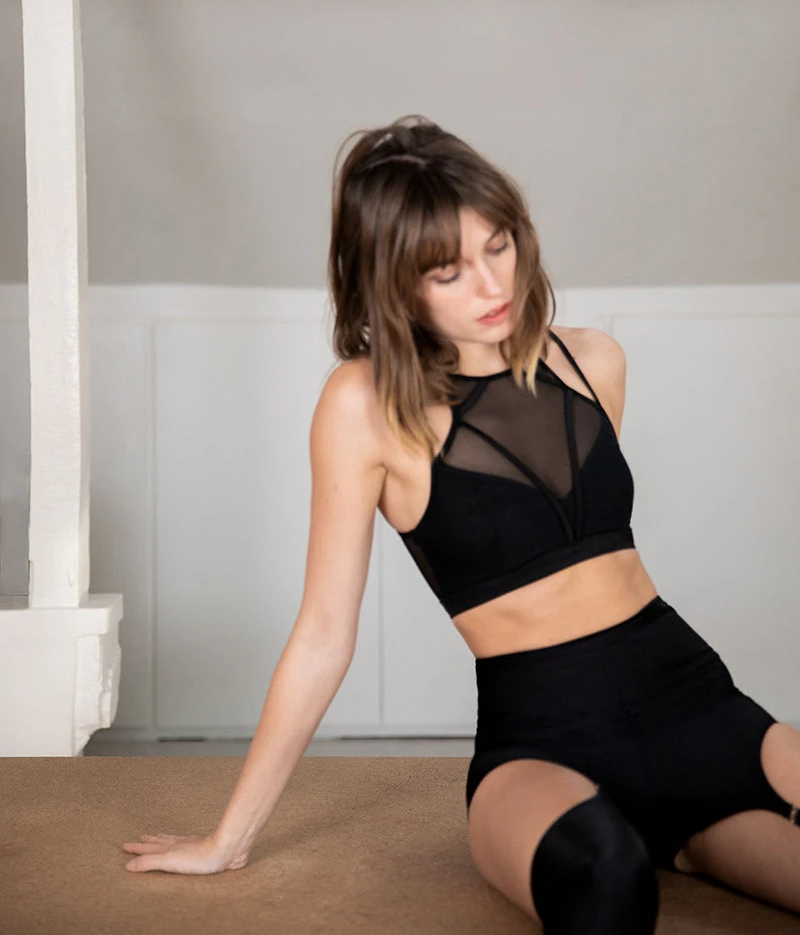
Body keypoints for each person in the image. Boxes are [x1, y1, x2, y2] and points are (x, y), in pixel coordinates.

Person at [123, 117, 800, 931]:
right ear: (394, 284)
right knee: (610, 885)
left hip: (701, 707)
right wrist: (227, 840)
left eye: (499, 245)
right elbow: (324, 635)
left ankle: (687, 838)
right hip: (543, 744)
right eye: (448, 271)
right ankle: (638, 838)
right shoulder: (364, 408)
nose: (491, 285)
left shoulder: (594, 360)